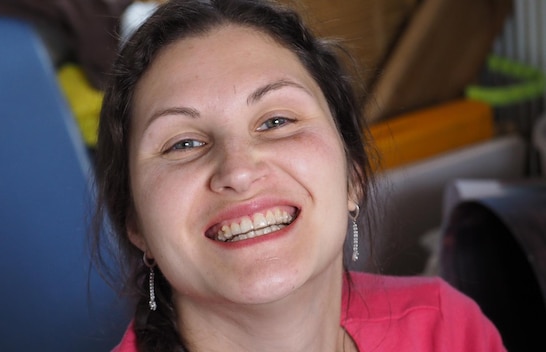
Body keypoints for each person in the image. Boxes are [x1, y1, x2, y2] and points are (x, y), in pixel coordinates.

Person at [91, 0, 507, 350]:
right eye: (183, 144)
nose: (239, 170)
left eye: (276, 121)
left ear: (353, 177)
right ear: (135, 223)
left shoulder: (448, 331)